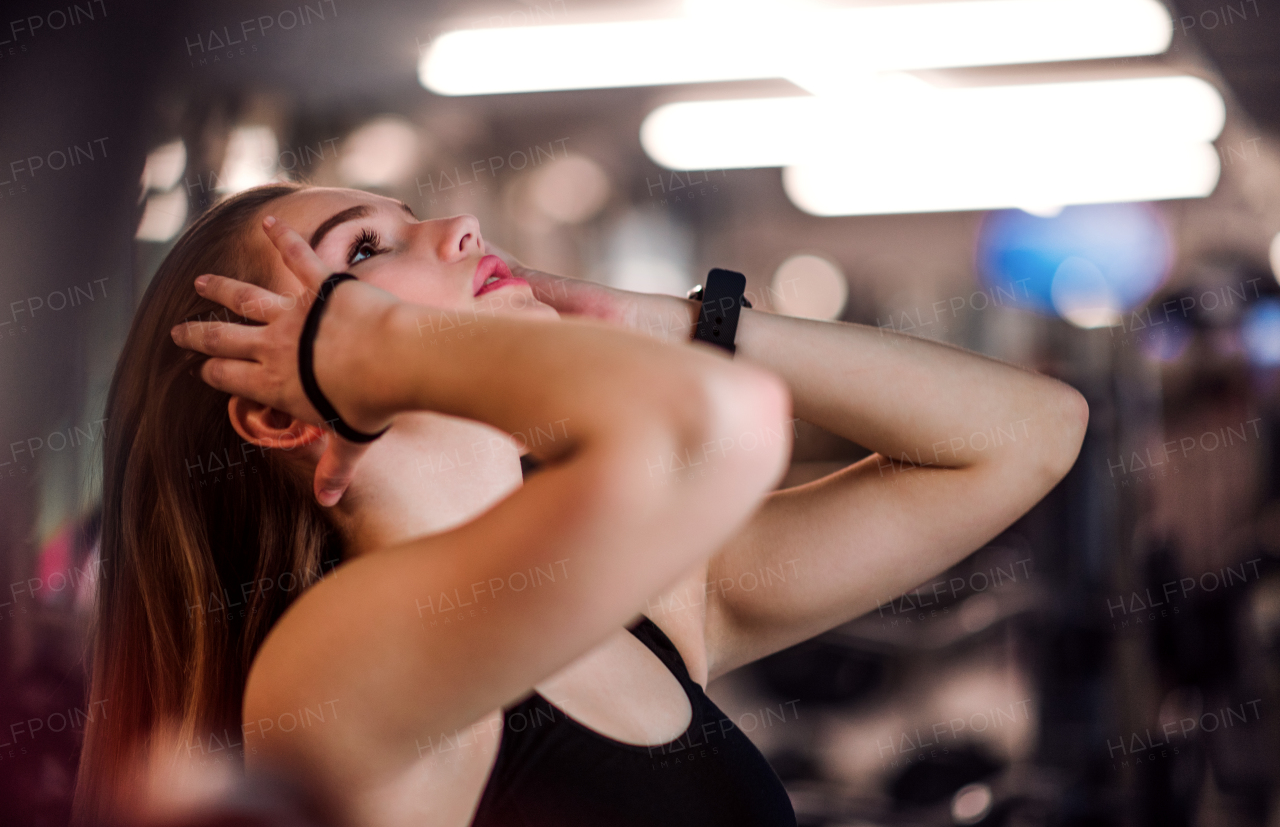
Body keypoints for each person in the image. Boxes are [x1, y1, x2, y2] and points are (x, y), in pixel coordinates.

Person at [72, 182, 1088, 827]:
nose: (456, 224)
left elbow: (1023, 436)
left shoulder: (651, 614)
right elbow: (718, 422)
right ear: (285, 409)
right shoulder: (338, 664)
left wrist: (648, 317)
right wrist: (374, 351)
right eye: (364, 254)